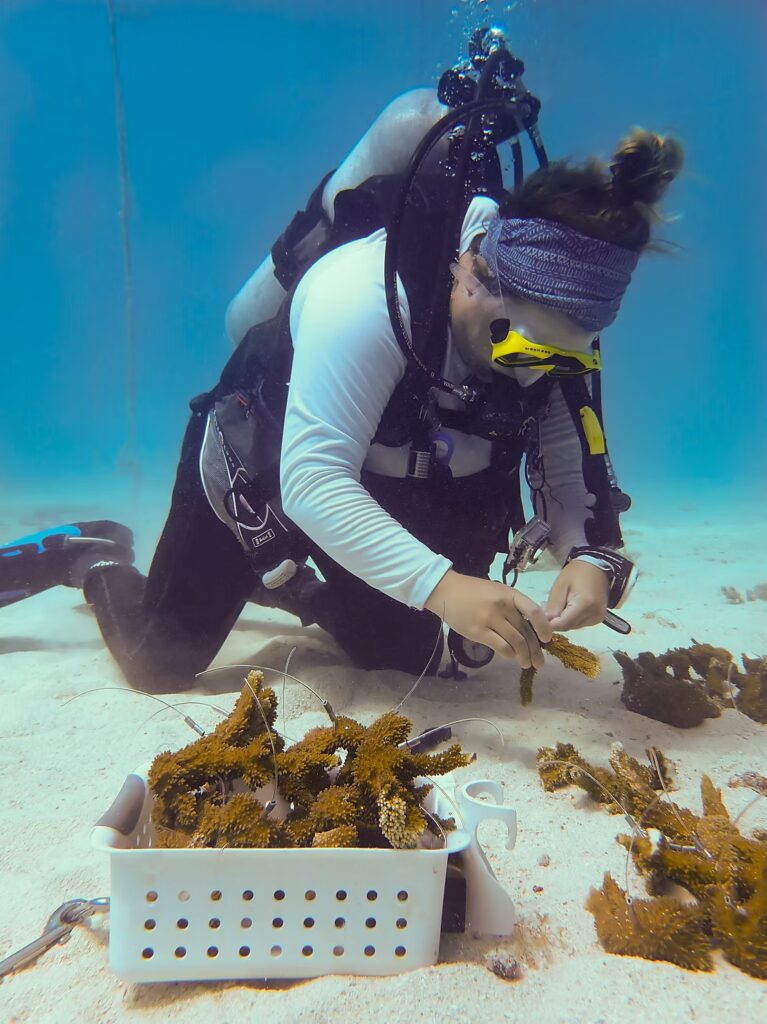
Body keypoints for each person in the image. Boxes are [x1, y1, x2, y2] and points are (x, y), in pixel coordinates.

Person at [2, 41, 683, 692]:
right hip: (264, 471)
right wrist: (442, 587)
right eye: (524, 351)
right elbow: (310, 479)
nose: (536, 376)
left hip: (382, 480)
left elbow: (573, 471)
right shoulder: (362, 295)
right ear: (473, 274)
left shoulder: (557, 329)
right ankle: (95, 557)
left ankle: (283, 580)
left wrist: (589, 563)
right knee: (161, 661)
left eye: (564, 357)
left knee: (399, 654)